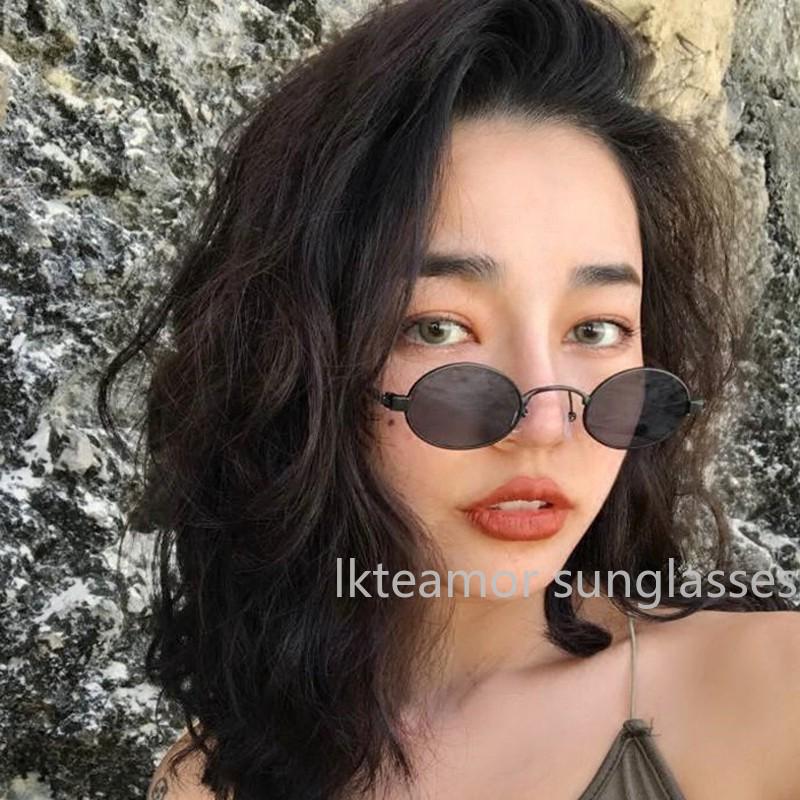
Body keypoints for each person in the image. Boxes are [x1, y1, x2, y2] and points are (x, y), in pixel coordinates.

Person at [97, 0, 800, 798]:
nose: (545, 423)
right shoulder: (208, 778)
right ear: (302, 363)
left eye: (598, 328)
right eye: (438, 328)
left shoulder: (772, 697)